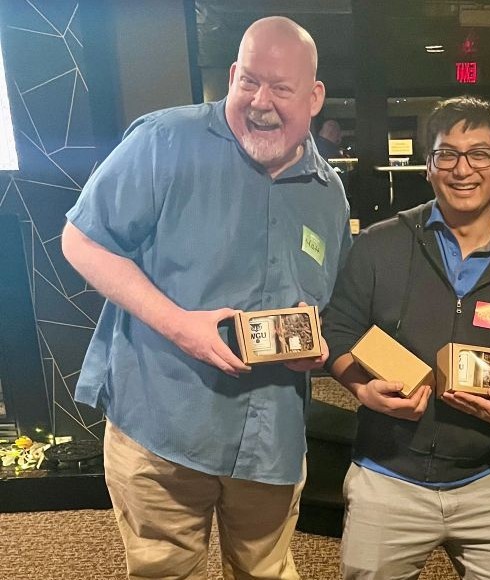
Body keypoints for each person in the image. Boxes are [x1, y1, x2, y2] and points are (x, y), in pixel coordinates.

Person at [61, 17, 351, 580]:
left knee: (267, 571)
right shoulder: (164, 140)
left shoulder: (328, 195)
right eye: (247, 81)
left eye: (281, 88)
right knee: (165, 572)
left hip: (270, 438)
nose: (260, 103)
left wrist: (311, 347)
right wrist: (176, 324)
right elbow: (81, 239)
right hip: (163, 422)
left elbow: (318, 306)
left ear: (314, 97)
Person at [322, 96, 490, 579]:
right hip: (386, 473)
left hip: (485, 476)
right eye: (446, 154)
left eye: (479, 154)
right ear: (428, 167)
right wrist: (361, 388)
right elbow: (339, 329)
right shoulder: (380, 244)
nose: (462, 169)